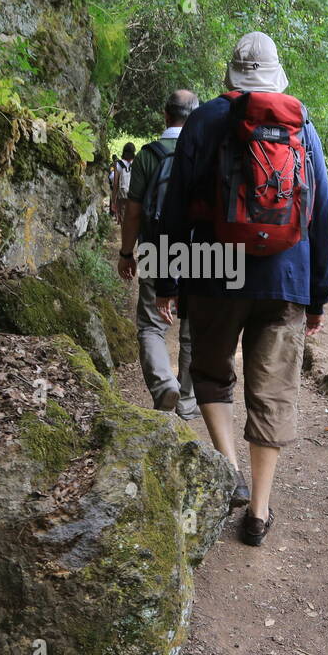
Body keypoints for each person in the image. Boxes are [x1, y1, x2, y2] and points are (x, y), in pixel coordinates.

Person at [155, 31, 328, 546]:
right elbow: (324, 219)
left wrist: (166, 280)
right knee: (273, 389)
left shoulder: (203, 121)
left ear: (230, 73)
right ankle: (258, 511)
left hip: (214, 271)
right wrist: (317, 295)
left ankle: (228, 468)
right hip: (286, 278)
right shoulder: (302, 125)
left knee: (210, 371)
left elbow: (173, 209)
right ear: (277, 76)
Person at [117, 90, 201, 421]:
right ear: (196, 117)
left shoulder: (149, 156)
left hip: (156, 248)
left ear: (166, 116)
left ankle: (164, 384)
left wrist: (127, 253)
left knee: (152, 326)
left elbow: (134, 212)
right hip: (204, 251)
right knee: (193, 330)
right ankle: (187, 400)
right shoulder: (207, 152)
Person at [110, 143, 135, 221]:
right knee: (132, 218)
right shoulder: (136, 162)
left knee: (123, 217)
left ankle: (124, 231)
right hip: (134, 194)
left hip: (123, 195)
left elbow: (115, 184)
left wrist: (113, 200)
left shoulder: (118, 163)